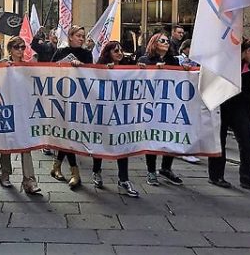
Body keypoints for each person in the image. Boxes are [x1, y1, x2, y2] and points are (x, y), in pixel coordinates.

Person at [208, 38, 250, 190]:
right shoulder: (227, 64)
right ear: (247, 50)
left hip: (239, 110)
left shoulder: (247, 68)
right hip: (222, 106)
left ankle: (248, 178)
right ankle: (216, 176)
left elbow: (249, 95)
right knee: (219, 143)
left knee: (249, 143)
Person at [93, 41, 139, 197]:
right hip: (104, 112)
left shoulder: (127, 67)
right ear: (108, 53)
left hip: (122, 113)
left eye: (121, 50)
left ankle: (123, 179)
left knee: (123, 144)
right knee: (100, 142)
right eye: (115, 50)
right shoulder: (100, 68)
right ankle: (96, 171)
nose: (120, 53)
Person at [137, 32, 183, 186]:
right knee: (152, 138)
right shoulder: (145, 60)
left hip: (169, 105)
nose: (166, 43)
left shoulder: (173, 61)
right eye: (162, 40)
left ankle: (166, 168)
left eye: (167, 41)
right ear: (154, 43)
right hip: (151, 105)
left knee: (169, 135)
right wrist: (151, 69)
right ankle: (151, 170)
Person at [0, 36, 41, 194]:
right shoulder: (2, 64)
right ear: (10, 49)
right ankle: (5, 173)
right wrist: (2, 69)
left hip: (24, 109)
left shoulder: (27, 66)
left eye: (23, 47)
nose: (21, 50)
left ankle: (29, 180)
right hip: (7, 109)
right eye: (17, 47)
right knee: (7, 142)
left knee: (25, 143)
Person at [50, 26, 92, 189]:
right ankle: (75, 173)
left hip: (79, 98)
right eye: (78, 36)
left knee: (69, 133)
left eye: (83, 36)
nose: (81, 39)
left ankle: (56, 166)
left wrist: (82, 66)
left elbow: (93, 74)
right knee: (68, 133)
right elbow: (49, 70)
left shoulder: (87, 54)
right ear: (71, 37)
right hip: (61, 97)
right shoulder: (61, 52)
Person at [31, 28, 58, 155]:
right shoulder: (44, 46)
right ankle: (45, 142)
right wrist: (37, 34)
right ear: (50, 36)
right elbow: (34, 45)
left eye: (58, 34)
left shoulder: (62, 49)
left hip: (58, 84)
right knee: (46, 113)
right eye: (54, 33)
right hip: (45, 82)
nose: (56, 36)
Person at [174, 39, 201, 164]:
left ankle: (186, 149)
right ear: (185, 48)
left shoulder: (197, 61)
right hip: (180, 95)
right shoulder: (178, 59)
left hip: (192, 95)